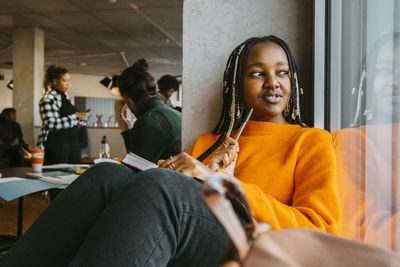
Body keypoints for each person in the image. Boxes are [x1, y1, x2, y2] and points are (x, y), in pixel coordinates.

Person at [0, 35, 339, 267]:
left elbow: (321, 231)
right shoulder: (209, 141)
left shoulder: (310, 141)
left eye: (282, 72)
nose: (272, 82)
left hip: (256, 248)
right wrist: (171, 169)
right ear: (237, 86)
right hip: (196, 233)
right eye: (256, 73)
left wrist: (221, 183)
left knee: (160, 187)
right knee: (107, 174)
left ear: (292, 82)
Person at [334, 32, 400, 254]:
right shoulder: (351, 142)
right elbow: (361, 232)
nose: (395, 81)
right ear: (368, 82)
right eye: (383, 71)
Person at [114, 59, 182, 163]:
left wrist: (124, 127)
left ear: (127, 100)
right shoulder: (175, 113)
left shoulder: (149, 121)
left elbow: (134, 168)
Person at [37, 65, 89, 165]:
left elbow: (70, 119)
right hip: (57, 144)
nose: (68, 84)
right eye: (65, 81)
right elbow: (51, 124)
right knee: (57, 174)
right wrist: (77, 116)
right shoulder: (48, 99)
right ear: (55, 81)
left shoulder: (66, 97)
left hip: (73, 143)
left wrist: (81, 118)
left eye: (69, 81)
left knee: (75, 175)